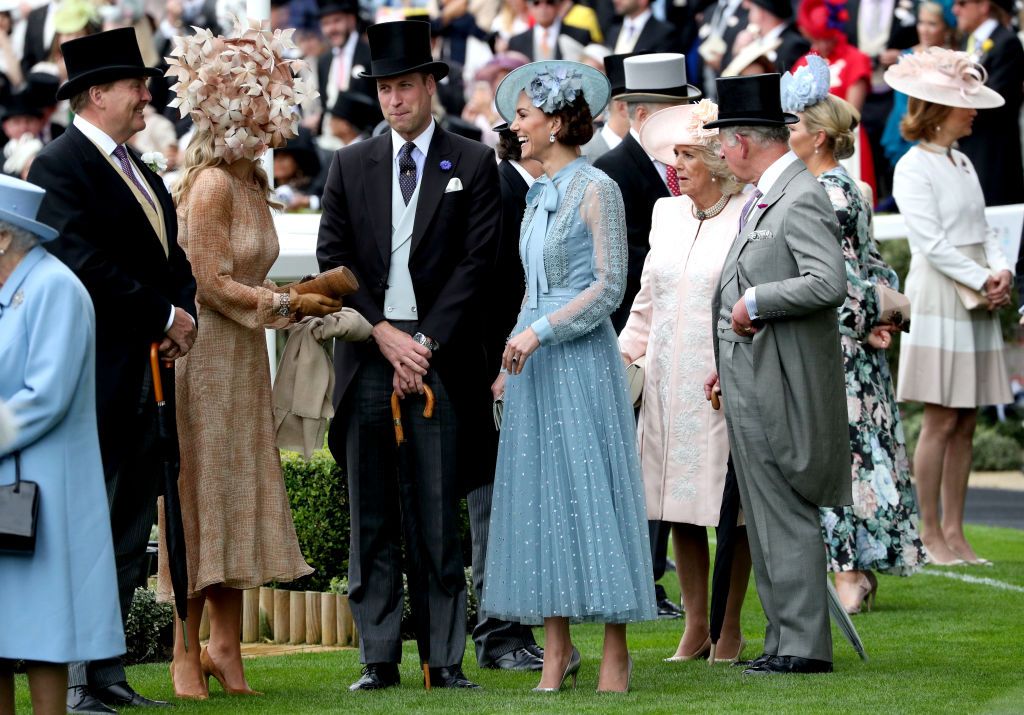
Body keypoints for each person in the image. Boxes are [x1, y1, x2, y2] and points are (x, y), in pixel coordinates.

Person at [316, 19, 500, 691]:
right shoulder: (350, 163)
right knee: (370, 511)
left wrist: (423, 340)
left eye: (405, 86)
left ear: (430, 86)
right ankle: (378, 656)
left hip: (438, 355)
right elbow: (333, 260)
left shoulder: (473, 161)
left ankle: (444, 657)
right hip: (370, 351)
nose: (395, 100)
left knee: (435, 507)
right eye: (385, 89)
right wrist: (383, 332)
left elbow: (478, 264)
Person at [156, 18, 330, 699]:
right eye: (258, 116)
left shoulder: (251, 182)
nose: (269, 129)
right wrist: (284, 305)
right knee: (200, 499)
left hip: (244, 361)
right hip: (204, 360)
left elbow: (243, 278)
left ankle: (226, 645)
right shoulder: (210, 188)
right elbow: (207, 281)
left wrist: (292, 298)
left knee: (236, 494)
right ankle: (182, 648)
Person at [27, 27, 198, 713]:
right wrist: (162, 315)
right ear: (98, 94)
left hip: (143, 385)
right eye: (136, 85)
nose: (146, 96)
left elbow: (173, 261)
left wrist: (183, 313)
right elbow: (79, 262)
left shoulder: (144, 171)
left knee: (128, 531)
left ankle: (107, 670)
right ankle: (75, 679)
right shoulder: (58, 166)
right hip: (93, 385)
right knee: (84, 532)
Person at [483, 59, 657, 694]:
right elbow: (531, 287)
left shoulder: (597, 188)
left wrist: (540, 332)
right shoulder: (536, 194)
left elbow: (610, 287)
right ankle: (554, 652)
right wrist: (513, 349)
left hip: (581, 362)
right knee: (540, 503)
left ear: (556, 122)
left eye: (524, 116)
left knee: (593, 497)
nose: (515, 126)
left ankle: (616, 649)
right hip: (531, 367)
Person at [703, 72, 850, 675]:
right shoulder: (768, 194)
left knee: (784, 509)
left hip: (781, 380)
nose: (719, 154)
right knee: (762, 513)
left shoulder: (800, 194)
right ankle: (783, 639)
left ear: (741, 142)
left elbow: (828, 282)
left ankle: (803, 647)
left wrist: (757, 301)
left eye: (722, 143)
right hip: (751, 373)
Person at [782, 55, 927, 614]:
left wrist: (867, 321)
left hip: (838, 345)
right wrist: (877, 319)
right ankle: (854, 570)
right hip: (851, 342)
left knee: (840, 458)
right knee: (855, 456)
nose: (786, 134)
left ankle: (848, 574)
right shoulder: (847, 187)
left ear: (818, 138)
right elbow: (873, 270)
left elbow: (842, 280)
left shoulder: (830, 193)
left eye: (794, 125)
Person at [618, 100, 752, 663]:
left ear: (719, 161)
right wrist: (619, 363)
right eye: (674, 154)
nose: (677, 165)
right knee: (675, 505)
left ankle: (731, 626)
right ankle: (695, 626)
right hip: (666, 382)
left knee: (731, 509)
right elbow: (645, 303)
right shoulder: (665, 214)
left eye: (688, 154)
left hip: (720, 382)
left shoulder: (748, 213)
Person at [0, 175, 124, 715]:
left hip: (43, 488)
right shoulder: (12, 289)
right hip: (12, 483)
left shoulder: (56, 288)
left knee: (45, 629)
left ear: (4, 237)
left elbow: (45, 396)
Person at [885, 47, 1014, 566]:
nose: (974, 111)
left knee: (967, 418)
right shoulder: (913, 166)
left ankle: (957, 533)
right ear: (940, 109)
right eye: (966, 104)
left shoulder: (963, 161)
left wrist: (1000, 271)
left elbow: (985, 230)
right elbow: (933, 244)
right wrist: (986, 278)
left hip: (976, 295)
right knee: (940, 418)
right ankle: (931, 534)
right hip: (941, 297)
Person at [594, 52, 699, 620]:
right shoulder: (615, 170)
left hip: (676, 332)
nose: (678, 122)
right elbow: (619, 258)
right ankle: (642, 580)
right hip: (631, 335)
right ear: (637, 114)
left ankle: (653, 578)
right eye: (666, 111)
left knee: (660, 455)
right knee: (636, 460)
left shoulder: (680, 169)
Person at [793, 0, 876, 193]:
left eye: (825, 38)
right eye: (815, 38)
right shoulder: (804, 62)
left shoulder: (856, 59)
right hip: (811, 140)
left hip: (844, 135)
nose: (819, 45)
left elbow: (852, 113)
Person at [952, 0, 1024, 206]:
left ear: (983, 5)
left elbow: (996, 101)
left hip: (994, 152)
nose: (955, 9)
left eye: (962, 3)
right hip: (968, 144)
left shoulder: (1006, 42)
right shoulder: (969, 39)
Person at [880, 0, 956, 168]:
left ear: (946, 27)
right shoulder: (907, 56)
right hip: (903, 132)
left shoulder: (954, 60)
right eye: (921, 22)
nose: (924, 30)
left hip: (937, 135)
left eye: (932, 24)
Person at [506, 0, 591, 61]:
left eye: (550, 2)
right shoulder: (516, 42)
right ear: (529, 7)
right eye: (536, 3)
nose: (543, 8)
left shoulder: (580, 36)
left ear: (558, 5)